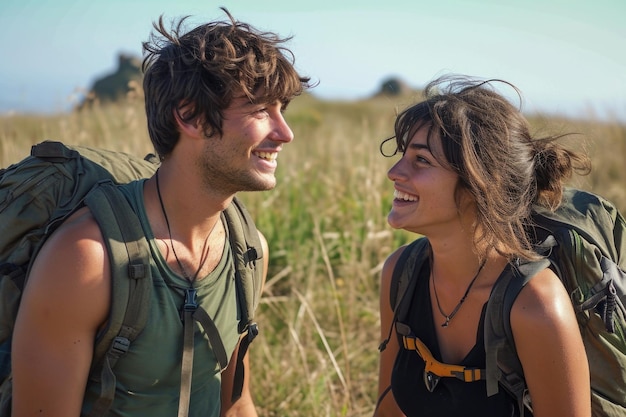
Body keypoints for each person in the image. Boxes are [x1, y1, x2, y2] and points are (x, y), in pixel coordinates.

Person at [11, 8, 311, 417]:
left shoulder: (247, 249)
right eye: (260, 110)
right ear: (189, 116)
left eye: (282, 110)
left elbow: (237, 405)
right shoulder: (86, 259)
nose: (284, 133)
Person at [374, 75, 591, 417]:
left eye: (421, 160)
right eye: (403, 155)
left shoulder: (536, 306)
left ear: (481, 184)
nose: (394, 172)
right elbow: (389, 410)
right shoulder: (401, 273)